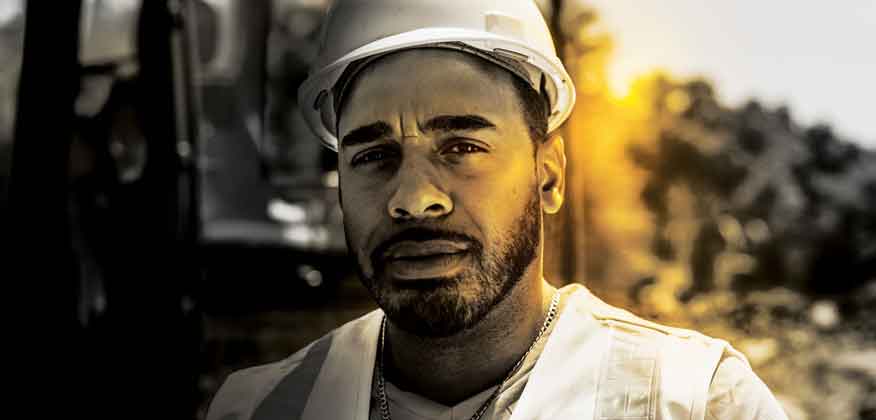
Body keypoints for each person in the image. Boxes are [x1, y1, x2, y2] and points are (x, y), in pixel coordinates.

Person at [207, 1, 789, 419]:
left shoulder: (694, 399)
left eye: (461, 148)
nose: (413, 199)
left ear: (549, 176)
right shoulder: (261, 406)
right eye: (376, 155)